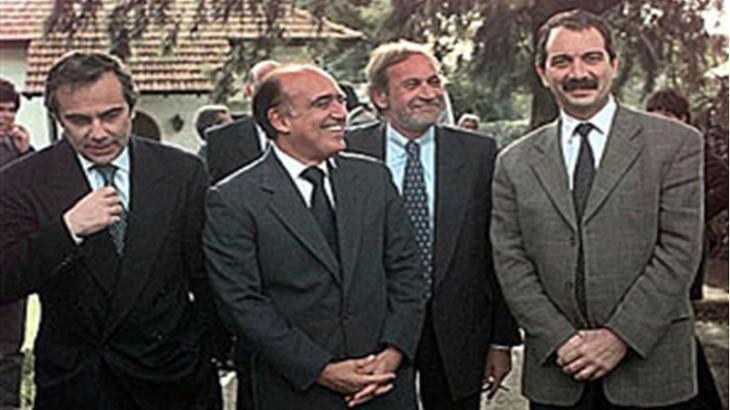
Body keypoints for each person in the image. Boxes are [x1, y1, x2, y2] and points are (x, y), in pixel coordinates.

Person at [491, 9, 704, 409]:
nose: (579, 73)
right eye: (562, 61)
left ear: (613, 64)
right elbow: (510, 260)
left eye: (591, 58)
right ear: (542, 72)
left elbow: (679, 251)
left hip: (651, 371)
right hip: (559, 372)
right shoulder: (513, 162)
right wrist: (559, 338)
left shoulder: (676, 144)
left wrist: (619, 337)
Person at [0, 51, 221, 409]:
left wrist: (206, 353)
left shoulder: (182, 172)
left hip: (173, 380)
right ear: (57, 117)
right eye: (79, 120)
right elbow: (6, 280)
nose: (99, 132)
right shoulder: (21, 181)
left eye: (111, 115)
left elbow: (208, 278)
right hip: (78, 385)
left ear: (131, 108)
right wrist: (67, 230)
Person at [204, 64, 426, 409]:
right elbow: (242, 303)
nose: (340, 113)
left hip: (383, 386)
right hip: (294, 392)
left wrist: (394, 352)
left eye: (340, 101)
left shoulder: (373, 178)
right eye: (323, 103)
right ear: (280, 120)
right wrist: (320, 369)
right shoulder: (234, 199)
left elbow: (407, 272)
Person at [346, 40, 521, 410]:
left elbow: (497, 251)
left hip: (458, 336)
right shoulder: (346, 152)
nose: (429, 94)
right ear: (380, 97)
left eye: (434, 82)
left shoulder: (478, 154)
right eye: (412, 85)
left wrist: (500, 340)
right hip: (373, 335)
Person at [646, 88, 727, 410]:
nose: (661, 124)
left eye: (667, 117)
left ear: (683, 119)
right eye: (654, 118)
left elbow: (724, 182)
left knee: (676, 319)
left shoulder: (693, 148)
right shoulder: (652, 150)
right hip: (658, 246)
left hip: (687, 246)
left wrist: (694, 212)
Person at [0, 77, 33, 410]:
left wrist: (27, 154)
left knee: (9, 347)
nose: (6, 117)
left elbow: (36, 192)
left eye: (10, 110)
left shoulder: (16, 150)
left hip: (9, 262)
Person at [206, 60, 280, 184]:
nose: (271, 95)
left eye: (277, 88)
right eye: (263, 87)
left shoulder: (305, 134)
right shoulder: (222, 140)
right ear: (248, 91)